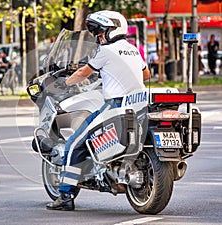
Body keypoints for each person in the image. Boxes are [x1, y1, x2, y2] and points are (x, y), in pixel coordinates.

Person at [46, 10, 150, 211]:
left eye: (101, 32)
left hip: (115, 106)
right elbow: (145, 74)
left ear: (113, 31)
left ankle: (65, 195)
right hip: (137, 104)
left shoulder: (105, 52)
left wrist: (64, 83)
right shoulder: (133, 50)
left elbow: (84, 72)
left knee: (73, 144)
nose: (98, 36)